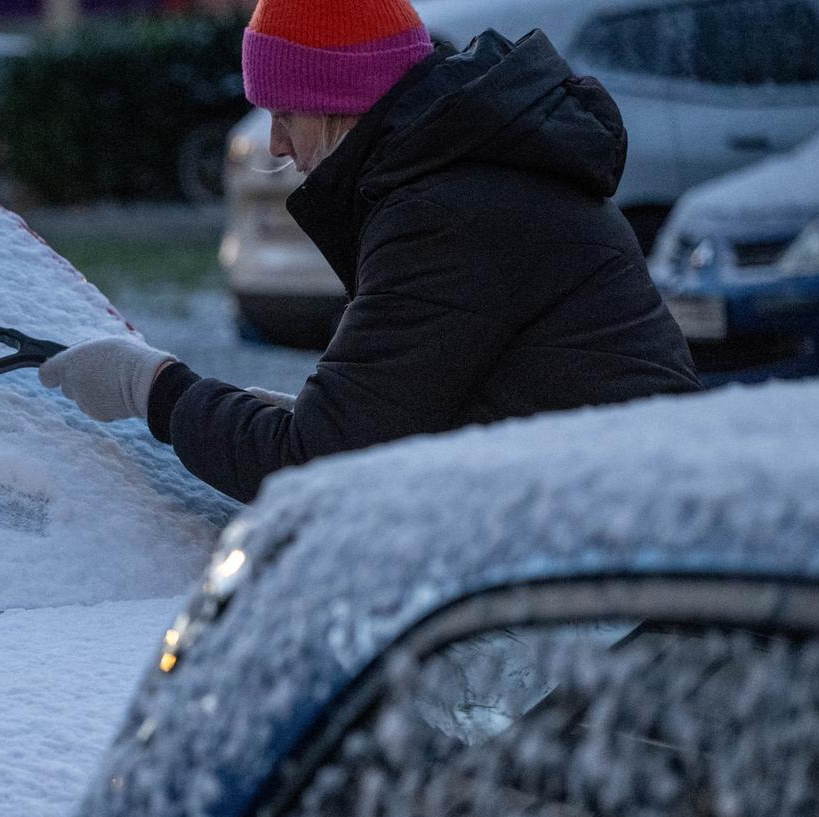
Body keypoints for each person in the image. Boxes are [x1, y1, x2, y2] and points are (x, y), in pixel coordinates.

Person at [37, 0, 701, 504]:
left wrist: (152, 389)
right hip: (612, 525)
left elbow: (320, 466)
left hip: (615, 562)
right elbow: (399, 421)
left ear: (338, 103)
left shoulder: (447, 213)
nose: (274, 144)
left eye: (285, 113)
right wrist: (293, 416)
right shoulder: (464, 178)